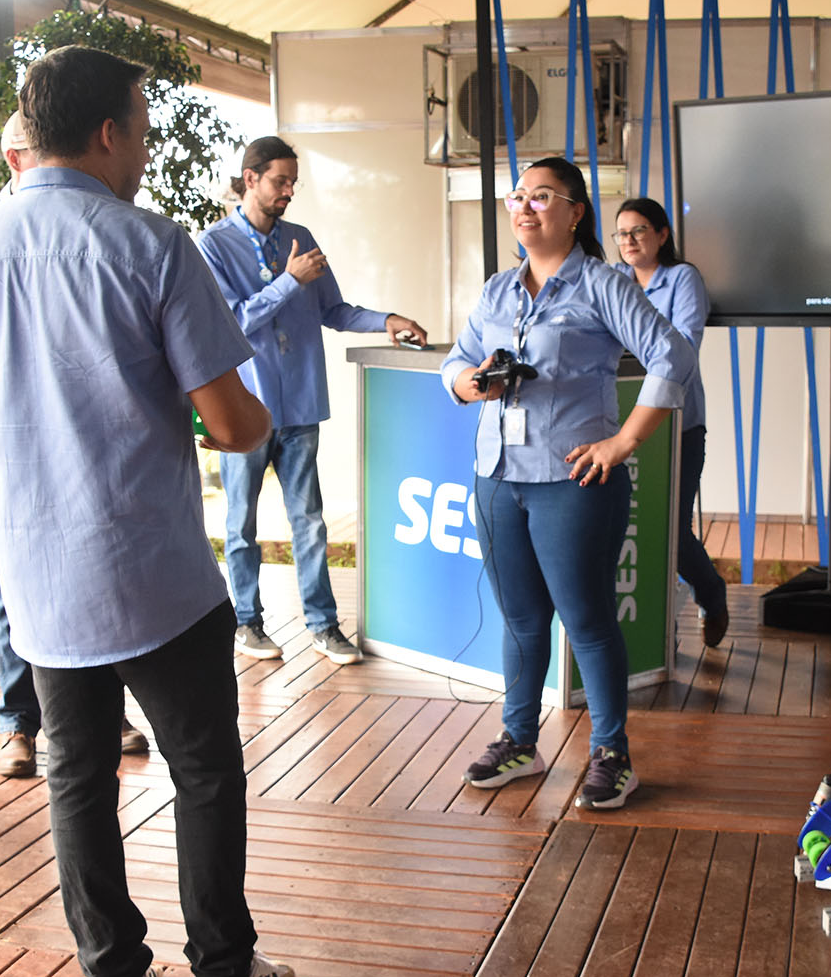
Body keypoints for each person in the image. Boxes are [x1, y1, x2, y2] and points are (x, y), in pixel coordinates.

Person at [0, 44, 296, 977]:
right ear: (105, 133)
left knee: (76, 775)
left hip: (39, 579)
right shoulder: (151, 245)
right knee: (202, 770)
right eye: (141, 128)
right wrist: (244, 417)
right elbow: (233, 424)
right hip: (154, 572)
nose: (145, 149)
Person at [442, 158, 695, 810]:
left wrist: (624, 441)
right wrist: (468, 382)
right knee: (521, 620)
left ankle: (612, 754)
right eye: (519, 197)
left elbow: (672, 354)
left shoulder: (601, 284)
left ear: (576, 212)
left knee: (587, 620)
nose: (525, 208)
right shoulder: (499, 289)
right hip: (498, 478)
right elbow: (457, 360)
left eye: (543, 196)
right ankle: (519, 741)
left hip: (573, 481)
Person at [0, 110, 148, 777]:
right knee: (16, 581)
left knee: (100, 565)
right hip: (11, 441)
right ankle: (17, 722)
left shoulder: (105, 224)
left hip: (84, 431)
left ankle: (104, 710)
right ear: (14, 159)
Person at [196, 136, 427, 666]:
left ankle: (323, 626)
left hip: (300, 405)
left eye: (293, 183)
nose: (289, 192)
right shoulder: (213, 246)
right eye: (280, 181)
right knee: (241, 524)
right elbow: (229, 323)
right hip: (244, 407)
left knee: (310, 522)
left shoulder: (301, 239)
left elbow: (335, 310)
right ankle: (247, 622)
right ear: (250, 179)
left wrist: (387, 321)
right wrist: (287, 282)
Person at [613, 197, 730, 648]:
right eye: (621, 233)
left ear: (662, 234)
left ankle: (711, 594)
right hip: (618, 418)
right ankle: (652, 628)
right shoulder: (614, 280)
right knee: (628, 526)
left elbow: (683, 348)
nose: (628, 241)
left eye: (638, 230)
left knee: (671, 531)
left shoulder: (683, 279)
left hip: (678, 423)